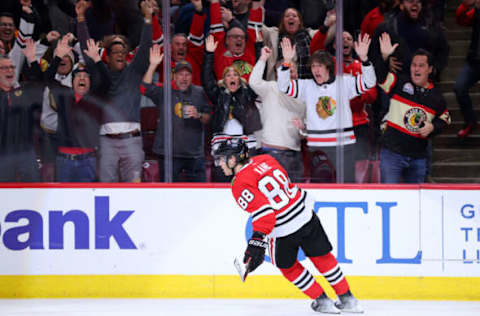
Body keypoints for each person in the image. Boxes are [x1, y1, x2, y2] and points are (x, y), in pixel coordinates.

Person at [211, 134, 363, 314]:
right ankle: (348, 300)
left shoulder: (239, 183)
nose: (219, 164)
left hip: (283, 228)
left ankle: (323, 302)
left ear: (233, 159)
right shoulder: (265, 159)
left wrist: (257, 242)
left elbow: (265, 214)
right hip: (305, 212)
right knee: (322, 257)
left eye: (221, 159)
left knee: (288, 267)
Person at [277, 35, 376, 183]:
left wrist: (364, 59)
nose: (315, 70)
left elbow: (369, 82)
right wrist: (286, 63)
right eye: (313, 66)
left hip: (343, 146)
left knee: (347, 187)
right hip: (317, 147)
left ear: (328, 68)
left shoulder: (345, 83)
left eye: (319, 66)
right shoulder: (306, 86)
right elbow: (284, 86)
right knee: (320, 189)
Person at [76, 0, 153, 182]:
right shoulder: (100, 75)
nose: (120, 54)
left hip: (132, 140)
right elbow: (88, 51)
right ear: (108, 57)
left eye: (123, 51)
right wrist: (80, 19)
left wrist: (148, 18)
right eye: (115, 51)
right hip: (107, 142)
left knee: (134, 190)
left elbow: (145, 47)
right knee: (106, 189)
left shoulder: (134, 72)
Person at [375, 32, 450, 183]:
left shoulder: (436, 97)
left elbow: (445, 119)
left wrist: (433, 127)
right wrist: (384, 57)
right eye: (414, 65)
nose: (416, 69)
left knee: (415, 202)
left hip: (418, 158)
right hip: (392, 154)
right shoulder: (399, 84)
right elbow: (381, 77)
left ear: (430, 69)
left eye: (421, 66)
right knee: (390, 197)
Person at [141, 45, 211, 182]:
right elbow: (144, 87)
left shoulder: (200, 92)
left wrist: (199, 115)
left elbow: (209, 118)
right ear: (174, 76)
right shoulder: (165, 90)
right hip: (168, 154)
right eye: (180, 74)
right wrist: (153, 65)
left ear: (192, 76)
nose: (184, 78)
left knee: (198, 194)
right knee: (167, 195)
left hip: (194, 155)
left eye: (187, 74)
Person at [203, 34, 262, 181]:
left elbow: (260, 77)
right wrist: (209, 54)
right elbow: (207, 79)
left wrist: (259, 48)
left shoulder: (248, 94)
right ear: (224, 80)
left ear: (239, 79)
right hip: (223, 144)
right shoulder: (218, 95)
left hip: (245, 144)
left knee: (246, 179)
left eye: (235, 75)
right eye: (228, 75)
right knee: (223, 180)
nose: (232, 77)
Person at [249, 46, 306, 183]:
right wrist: (263, 58)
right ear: (278, 74)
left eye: (293, 71)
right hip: (270, 152)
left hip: (294, 154)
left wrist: (303, 128)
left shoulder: (304, 95)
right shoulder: (271, 88)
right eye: (287, 70)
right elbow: (253, 82)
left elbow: (307, 130)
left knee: (295, 197)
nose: (291, 74)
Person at [0, 41, 43, 181]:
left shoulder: (23, 93)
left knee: (33, 193)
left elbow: (39, 85)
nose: (10, 71)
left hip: (26, 154)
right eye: (5, 68)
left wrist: (32, 59)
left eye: (12, 67)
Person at [454, 0, 480, 138]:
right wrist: (465, 5)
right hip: (474, 61)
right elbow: (461, 20)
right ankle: (470, 121)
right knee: (459, 87)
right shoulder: (475, 12)